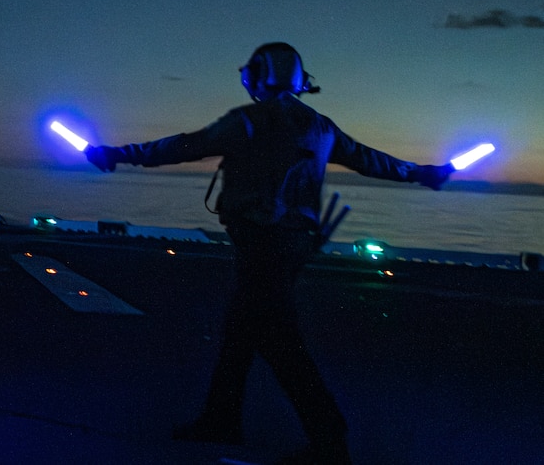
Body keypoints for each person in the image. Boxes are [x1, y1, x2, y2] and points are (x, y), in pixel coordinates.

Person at [84, 42, 452, 464]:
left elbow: (184, 146)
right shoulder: (319, 125)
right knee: (240, 332)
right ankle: (221, 418)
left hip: (261, 241)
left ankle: (329, 440)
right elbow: (371, 160)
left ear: (263, 74)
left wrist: (116, 155)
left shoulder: (249, 121)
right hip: (295, 243)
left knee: (278, 340)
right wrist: (423, 174)